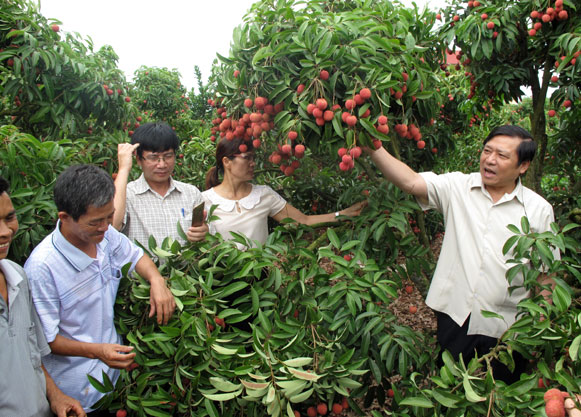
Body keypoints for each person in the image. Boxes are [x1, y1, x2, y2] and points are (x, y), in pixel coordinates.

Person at [367, 125, 557, 382]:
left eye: (501, 156)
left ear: (522, 166)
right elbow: (411, 181)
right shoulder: (459, 187)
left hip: (510, 323)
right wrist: (372, 145)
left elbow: (545, 275)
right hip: (456, 314)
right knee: (449, 388)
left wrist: (540, 325)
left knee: (504, 394)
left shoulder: (539, 211)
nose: (490, 160)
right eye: (487, 151)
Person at [24, 165, 176, 413]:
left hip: (114, 381)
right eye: (96, 222)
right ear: (64, 218)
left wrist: (157, 281)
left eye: (109, 217)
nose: (106, 226)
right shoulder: (43, 268)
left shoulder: (104, 237)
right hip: (76, 394)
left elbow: (135, 255)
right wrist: (97, 352)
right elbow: (47, 340)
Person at [0, 176, 86, 417]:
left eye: (9, 218)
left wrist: (55, 395)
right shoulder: (40, 265)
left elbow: (32, 354)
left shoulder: (16, 276)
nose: (6, 232)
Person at [202, 137, 366, 248]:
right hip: (221, 289)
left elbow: (304, 220)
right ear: (227, 162)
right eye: (247, 158)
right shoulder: (203, 200)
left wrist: (343, 214)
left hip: (260, 282)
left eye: (254, 158)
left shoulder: (263, 195)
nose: (253, 164)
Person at [112, 122, 208, 248]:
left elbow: (208, 236)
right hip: (140, 268)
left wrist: (204, 232)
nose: (162, 165)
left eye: (168, 156)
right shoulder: (127, 194)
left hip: (186, 268)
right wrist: (123, 169)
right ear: (139, 160)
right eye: (153, 157)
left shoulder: (191, 193)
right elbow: (113, 226)